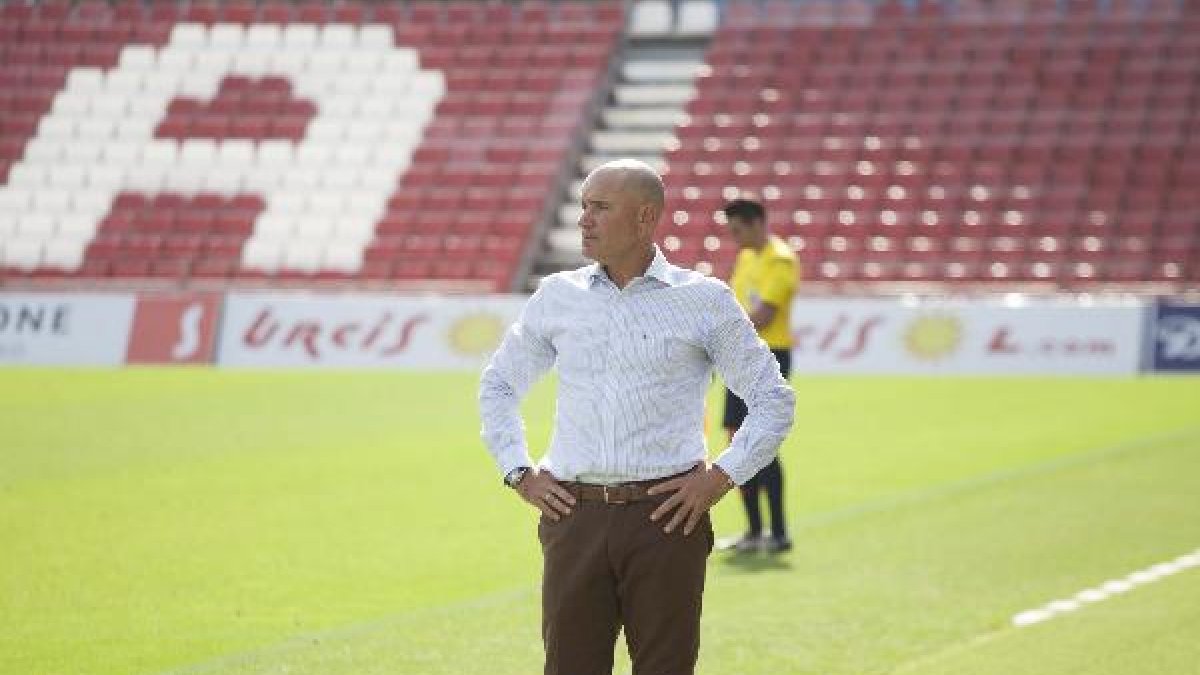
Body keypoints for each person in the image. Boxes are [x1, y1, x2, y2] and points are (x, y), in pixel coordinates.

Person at [479, 159, 795, 675]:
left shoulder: (704, 301)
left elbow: (773, 399)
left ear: (645, 217)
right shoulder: (558, 296)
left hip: (667, 519)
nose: (584, 219)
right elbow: (498, 384)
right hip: (572, 518)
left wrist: (720, 477)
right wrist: (518, 471)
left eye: (600, 208)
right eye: (583, 206)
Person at [720, 197, 798, 554]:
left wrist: (715, 338)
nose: (733, 238)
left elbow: (762, 316)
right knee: (738, 441)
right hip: (740, 357)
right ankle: (754, 531)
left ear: (756, 223)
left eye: (737, 230)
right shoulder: (747, 257)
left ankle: (778, 531)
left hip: (770, 358)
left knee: (761, 443)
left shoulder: (780, 260)